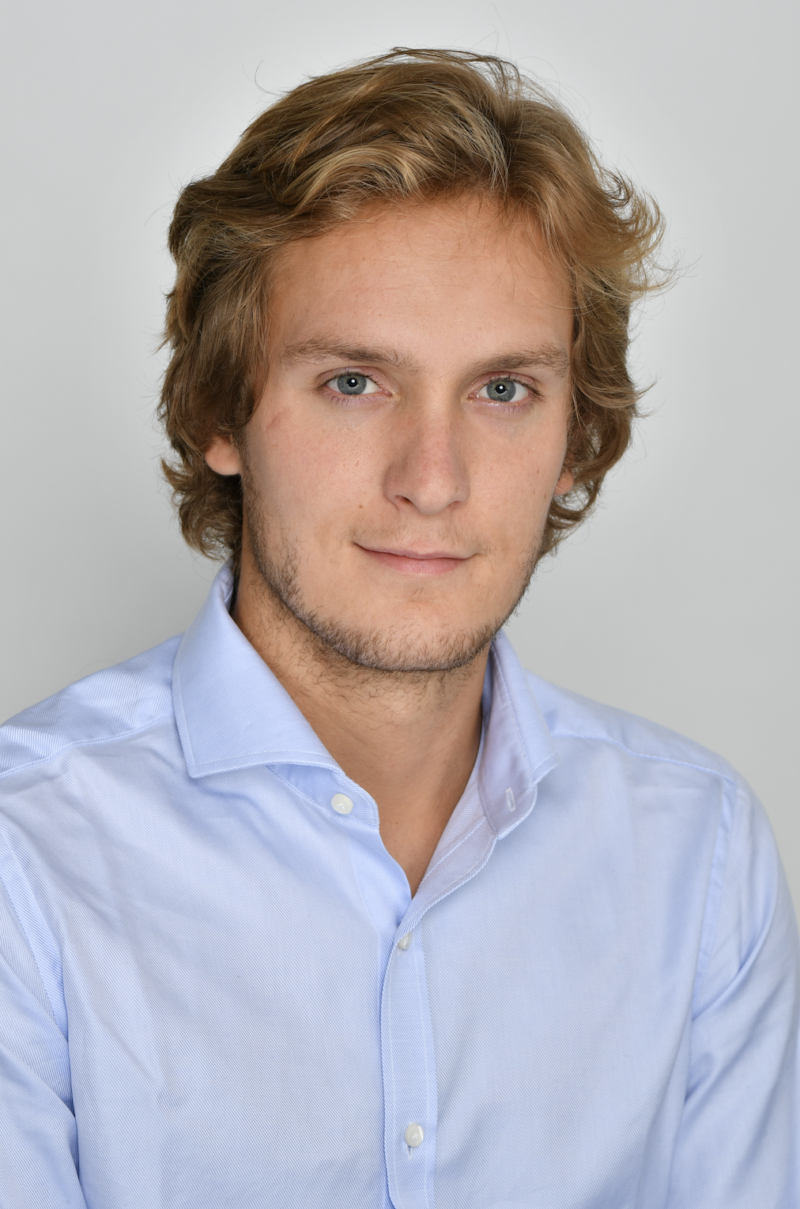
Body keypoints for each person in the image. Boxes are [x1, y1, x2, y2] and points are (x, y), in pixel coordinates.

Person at [0, 47, 796, 1209]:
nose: (432, 479)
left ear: (573, 440)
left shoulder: (697, 854)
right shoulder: (25, 857)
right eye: (354, 382)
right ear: (221, 411)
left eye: (502, 390)